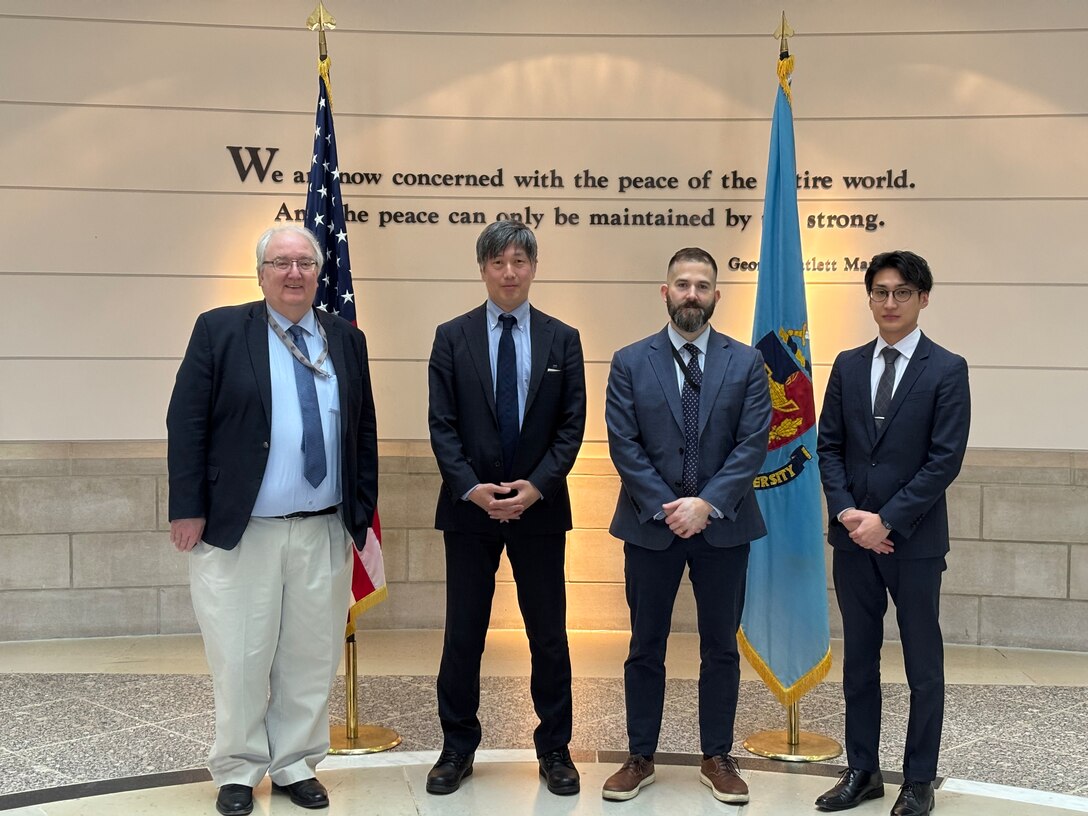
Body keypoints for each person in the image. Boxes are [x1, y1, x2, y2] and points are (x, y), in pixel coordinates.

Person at [166, 225, 378, 816]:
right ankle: (237, 768)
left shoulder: (345, 339)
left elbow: (362, 429)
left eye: (304, 262)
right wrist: (187, 507)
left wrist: (360, 515)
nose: (293, 273)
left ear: (318, 272)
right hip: (242, 532)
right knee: (239, 655)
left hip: (323, 528)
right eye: (280, 262)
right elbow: (186, 422)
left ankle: (294, 764)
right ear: (260, 274)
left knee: (310, 658)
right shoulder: (221, 331)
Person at [602, 247, 771, 804]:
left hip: (724, 529)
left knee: (720, 646)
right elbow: (624, 445)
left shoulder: (746, 363)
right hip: (651, 527)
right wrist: (670, 506)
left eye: (702, 285)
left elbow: (752, 445)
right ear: (665, 292)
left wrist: (707, 504)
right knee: (644, 645)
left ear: (717, 296)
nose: (691, 294)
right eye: (682, 284)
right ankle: (639, 756)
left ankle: (717, 756)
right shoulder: (629, 361)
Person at [425, 220, 587, 796]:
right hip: (469, 512)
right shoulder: (452, 336)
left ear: (534, 267)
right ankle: (456, 747)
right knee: (463, 633)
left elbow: (571, 427)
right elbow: (441, 426)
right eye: (499, 263)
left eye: (520, 261)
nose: (510, 272)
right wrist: (473, 488)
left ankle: (556, 750)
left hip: (540, 512)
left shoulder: (562, 339)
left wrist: (535, 487)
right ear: (483, 269)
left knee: (548, 634)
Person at [815, 250, 970, 816]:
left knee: (922, 666)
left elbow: (943, 460)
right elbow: (827, 447)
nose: (889, 302)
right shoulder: (848, 365)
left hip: (915, 542)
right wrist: (851, 515)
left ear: (923, 297)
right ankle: (863, 772)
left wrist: (889, 521)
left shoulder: (947, 369)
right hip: (854, 541)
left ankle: (919, 780)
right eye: (880, 291)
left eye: (902, 292)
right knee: (859, 661)